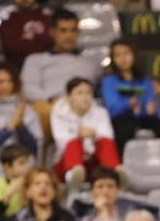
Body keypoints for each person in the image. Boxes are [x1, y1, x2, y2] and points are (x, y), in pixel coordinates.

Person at [20, 9, 103, 137]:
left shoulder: (92, 64)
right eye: (63, 30)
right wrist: (53, 100)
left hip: (83, 110)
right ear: (52, 32)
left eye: (73, 30)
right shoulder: (35, 60)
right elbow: (28, 89)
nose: (68, 36)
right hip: (48, 108)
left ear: (79, 32)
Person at [101, 39, 160, 154]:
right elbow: (112, 107)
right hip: (122, 119)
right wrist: (129, 104)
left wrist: (153, 108)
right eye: (117, 55)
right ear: (112, 59)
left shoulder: (145, 80)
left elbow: (152, 103)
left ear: (134, 55)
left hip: (143, 117)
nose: (123, 58)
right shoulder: (109, 81)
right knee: (124, 127)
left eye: (126, 53)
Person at [51, 77, 119, 190]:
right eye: (80, 93)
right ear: (69, 97)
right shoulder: (58, 113)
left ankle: (114, 174)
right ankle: (73, 175)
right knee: (73, 143)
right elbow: (61, 142)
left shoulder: (101, 112)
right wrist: (80, 136)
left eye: (88, 93)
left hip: (94, 160)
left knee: (105, 142)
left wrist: (93, 135)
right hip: (66, 161)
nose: (85, 97)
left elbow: (108, 137)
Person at [0, 0, 53, 71]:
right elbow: (12, 48)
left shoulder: (47, 19)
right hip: (17, 69)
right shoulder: (7, 22)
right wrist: (40, 40)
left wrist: (33, 37)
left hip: (49, 66)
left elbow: (52, 41)